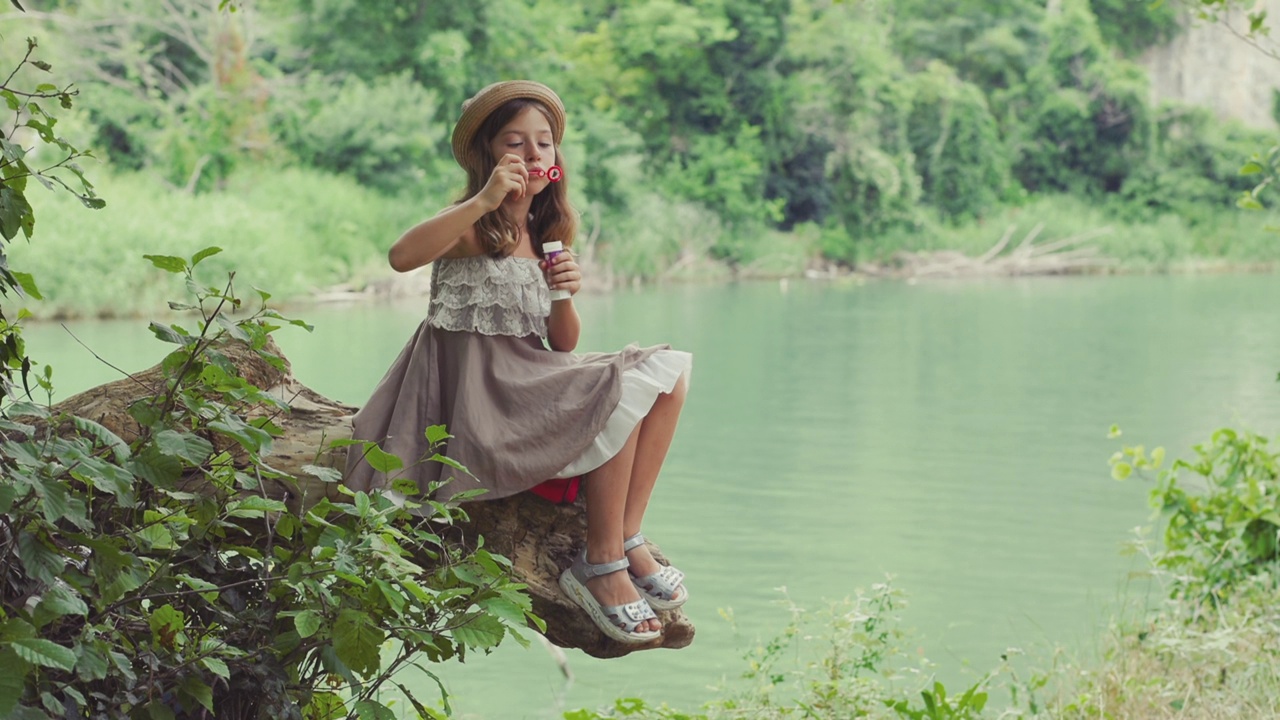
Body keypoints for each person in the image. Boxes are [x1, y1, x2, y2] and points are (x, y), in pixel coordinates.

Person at [344, 81, 692, 645]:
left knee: (670, 373)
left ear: (556, 159)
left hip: (529, 378)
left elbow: (561, 344)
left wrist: (566, 294)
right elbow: (401, 256)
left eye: (545, 144)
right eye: (516, 143)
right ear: (488, 154)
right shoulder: (471, 225)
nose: (533, 155)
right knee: (619, 387)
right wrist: (481, 199)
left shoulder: (546, 232)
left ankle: (627, 536)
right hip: (482, 399)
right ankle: (599, 564)